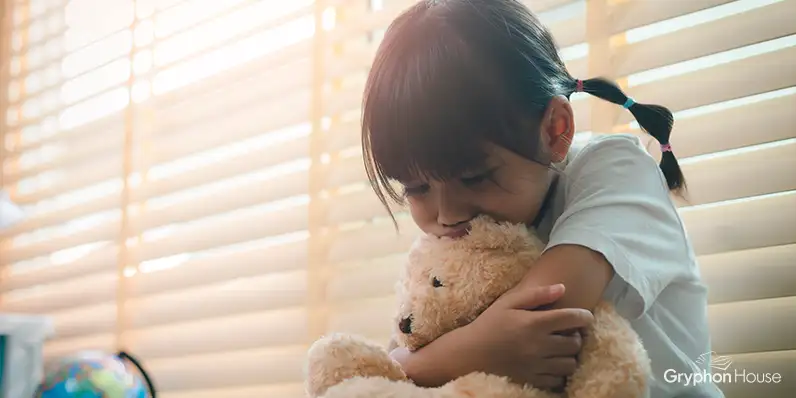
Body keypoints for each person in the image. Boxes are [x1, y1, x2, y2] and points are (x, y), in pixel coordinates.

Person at [359, 1, 724, 397]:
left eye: (475, 177)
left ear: (555, 129)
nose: (447, 215)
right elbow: (400, 356)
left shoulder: (616, 169)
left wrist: (427, 364)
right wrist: (433, 362)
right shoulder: (445, 249)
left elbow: (545, 315)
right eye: (415, 188)